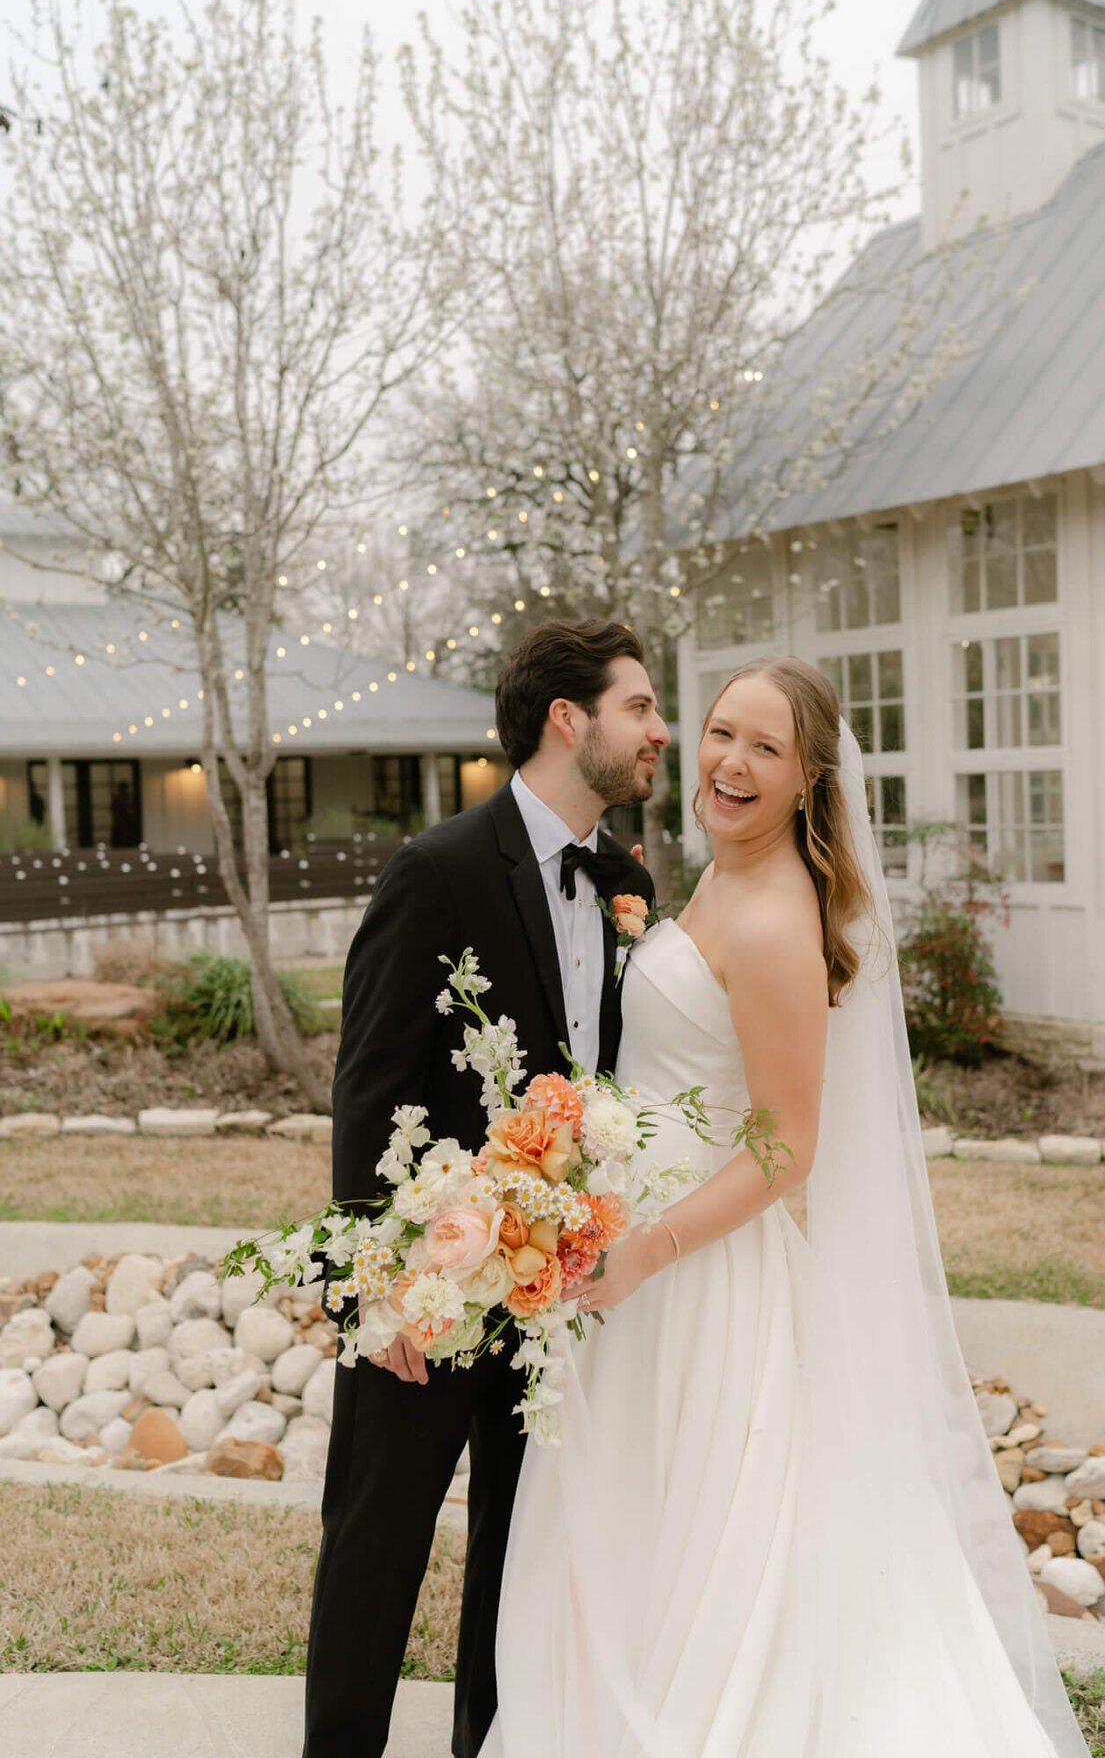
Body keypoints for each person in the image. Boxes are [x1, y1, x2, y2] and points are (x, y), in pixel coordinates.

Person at [481, 656, 1091, 1758]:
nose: (728, 761)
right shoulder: (718, 878)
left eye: (765, 747)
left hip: (698, 1278)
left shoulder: (771, 922)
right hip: (637, 1256)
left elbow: (788, 1147)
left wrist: (649, 1247)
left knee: (710, 1547)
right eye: (721, 732)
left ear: (812, 779)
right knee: (634, 1532)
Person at [302, 618, 669, 1758]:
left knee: (521, 1557)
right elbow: (369, 1086)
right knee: (377, 1546)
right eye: (640, 708)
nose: (659, 733)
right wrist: (373, 1286)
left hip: (549, 1287)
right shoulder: (439, 870)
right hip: (434, 1281)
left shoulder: (626, 881)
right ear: (570, 719)